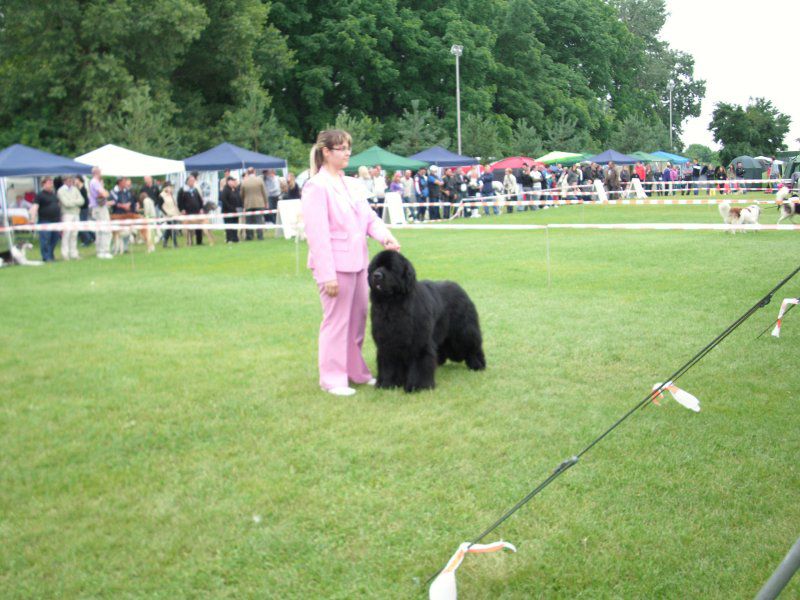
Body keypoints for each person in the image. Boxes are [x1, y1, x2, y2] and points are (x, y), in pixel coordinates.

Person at [301, 129, 400, 396]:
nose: (347, 153)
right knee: (336, 322)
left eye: (348, 148)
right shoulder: (316, 187)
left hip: (359, 264)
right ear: (326, 152)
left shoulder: (353, 184)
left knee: (357, 320)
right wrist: (327, 275)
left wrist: (385, 237)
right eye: (342, 148)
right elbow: (317, 235)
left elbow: (369, 218)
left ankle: (356, 371)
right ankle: (332, 379)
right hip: (335, 267)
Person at [30, 176, 61, 262]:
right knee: (45, 239)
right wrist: (32, 219)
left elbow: (58, 205)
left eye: (51, 182)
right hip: (45, 220)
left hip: (56, 220)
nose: (51, 184)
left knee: (55, 238)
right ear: (44, 184)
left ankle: (50, 255)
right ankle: (46, 257)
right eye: (49, 182)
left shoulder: (54, 194)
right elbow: (34, 207)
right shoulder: (39, 195)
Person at [57, 175, 83, 260]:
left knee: (74, 234)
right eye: (69, 179)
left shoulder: (75, 189)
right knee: (66, 234)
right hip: (67, 214)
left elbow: (82, 201)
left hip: (76, 214)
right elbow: (66, 203)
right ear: (64, 180)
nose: (71, 181)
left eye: (71, 179)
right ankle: (65, 254)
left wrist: (72, 202)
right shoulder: (60, 191)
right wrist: (76, 202)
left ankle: (74, 253)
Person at [241, 167, 268, 241]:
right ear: (254, 172)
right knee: (259, 220)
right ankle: (260, 236)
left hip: (248, 204)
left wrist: (244, 202)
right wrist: (266, 202)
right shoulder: (259, 180)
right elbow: (264, 192)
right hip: (259, 203)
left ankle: (249, 236)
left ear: (247, 173)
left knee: (248, 221)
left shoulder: (244, 181)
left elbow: (241, 194)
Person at [177, 174, 205, 245]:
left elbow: (200, 200)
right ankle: (189, 242)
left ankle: (199, 241)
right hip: (188, 211)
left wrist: (201, 208)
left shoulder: (195, 189)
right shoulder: (183, 190)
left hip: (197, 211)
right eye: (191, 181)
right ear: (188, 182)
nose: (193, 182)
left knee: (199, 227)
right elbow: (179, 201)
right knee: (189, 228)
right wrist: (182, 209)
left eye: (194, 181)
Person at [220, 175, 242, 243]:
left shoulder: (235, 189)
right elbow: (224, 200)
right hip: (227, 211)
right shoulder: (225, 189)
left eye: (233, 181)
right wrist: (230, 207)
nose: (233, 182)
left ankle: (235, 238)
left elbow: (238, 198)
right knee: (229, 225)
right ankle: (229, 239)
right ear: (228, 182)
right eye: (232, 181)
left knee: (235, 224)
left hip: (235, 211)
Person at [159, 182, 180, 248]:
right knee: (172, 229)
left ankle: (164, 242)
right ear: (166, 187)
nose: (171, 188)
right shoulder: (161, 195)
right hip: (168, 215)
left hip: (174, 214)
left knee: (168, 229)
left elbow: (174, 205)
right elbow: (160, 206)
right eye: (170, 187)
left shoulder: (171, 195)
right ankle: (175, 244)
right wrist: (166, 214)